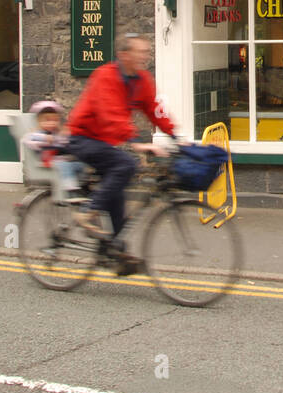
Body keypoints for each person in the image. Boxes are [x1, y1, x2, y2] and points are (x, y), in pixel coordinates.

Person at [66, 33, 178, 275]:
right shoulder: (105, 76)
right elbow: (111, 115)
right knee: (125, 165)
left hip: (105, 141)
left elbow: (154, 110)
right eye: (140, 52)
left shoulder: (141, 79)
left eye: (146, 52)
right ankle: (88, 212)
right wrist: (137, 142)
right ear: (124, 55)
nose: (145, 57)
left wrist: (176, 136)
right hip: (83, 137)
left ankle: (114, 250)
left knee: (117, 192)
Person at [23, 100, 81, 195]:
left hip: (59, 160)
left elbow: (64, 143)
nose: (51, 123)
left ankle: (78, 189)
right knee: (63, 165)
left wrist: (65, 137)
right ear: (39, 121)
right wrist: (44, 138)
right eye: (47, 120)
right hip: (46, 161)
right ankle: (70, 187)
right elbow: (27, 139)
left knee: (79, 165)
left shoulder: (56, 133)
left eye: (55, 120)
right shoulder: (37, 133)